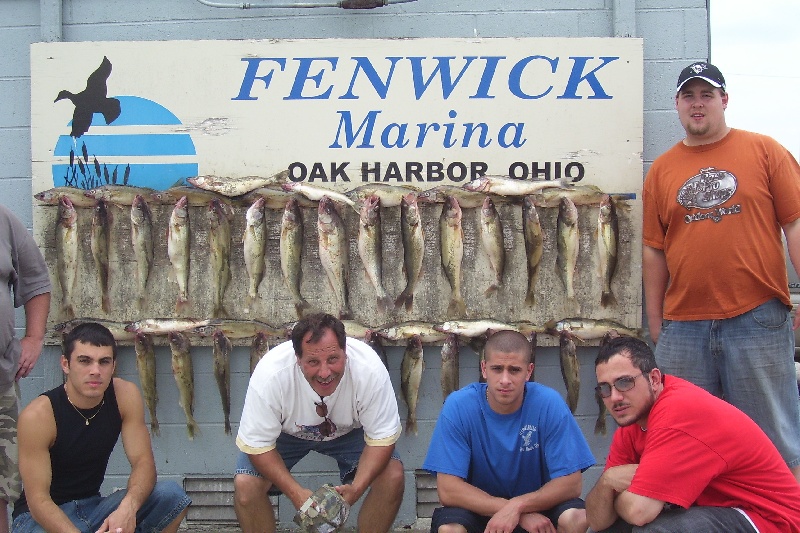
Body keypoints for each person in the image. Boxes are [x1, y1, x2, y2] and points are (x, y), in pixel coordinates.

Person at [642, 60, 800, 478]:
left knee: (775, 443)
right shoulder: (662, 170)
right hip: (684, 329)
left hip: (758, 318)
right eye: (689, 96)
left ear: (724, 100)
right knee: (687, 443)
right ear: (676, 104)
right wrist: (657, 323)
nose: (698, 104)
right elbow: (653, 251)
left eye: (707, 95)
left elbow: (796, 224)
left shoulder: (765, 150)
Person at [586, 336, 800, 533]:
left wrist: (620, 497)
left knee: (656, 530)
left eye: (624, 383)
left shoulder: (677, 411)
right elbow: (598, 521)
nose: (614, 397)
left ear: (654, 379)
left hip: (771, 520)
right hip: (719, 511)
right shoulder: (631, 422)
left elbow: (638, 512)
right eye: (604, 388)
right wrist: (606, 482)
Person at [11, 322, 191, 533]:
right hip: (39, 520)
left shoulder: (124, 395)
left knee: (171, 497)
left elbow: (143, 463)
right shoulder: (39, 415)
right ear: (65, 364)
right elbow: (38, 501)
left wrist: (128, 507)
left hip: (93, 508)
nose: (95, 371)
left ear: (113, 366)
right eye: (84, 361)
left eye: (103, 362)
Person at [234, 312, 404, 533]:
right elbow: (257, 445)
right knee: (246, 486)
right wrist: (296, 494)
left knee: (393, 476)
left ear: (345, 352)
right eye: (313, 362)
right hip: (287, 434)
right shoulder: (271, 374)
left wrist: (356, 488)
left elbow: (382, 439)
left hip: (350, 432)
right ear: (298, 359)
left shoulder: (369, 368)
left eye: (333, 359)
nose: (325, 372)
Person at [423, 330, 594, 533]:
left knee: (576, 518)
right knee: (449, 529)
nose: (505, 380)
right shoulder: (459, 406)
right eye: (497, 369)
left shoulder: (549, 403)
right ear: (484, 369)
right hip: (478, 509)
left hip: (540, 507)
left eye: (514, 370)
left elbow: (571, 484)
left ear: (528, 372)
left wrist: (518, 506)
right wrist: (512, 511)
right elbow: (448, 490)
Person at [0, 204, 51, 533]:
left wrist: (33, 337)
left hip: (0, 383)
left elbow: (36, 279)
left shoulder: (3, 220)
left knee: (0, 490)